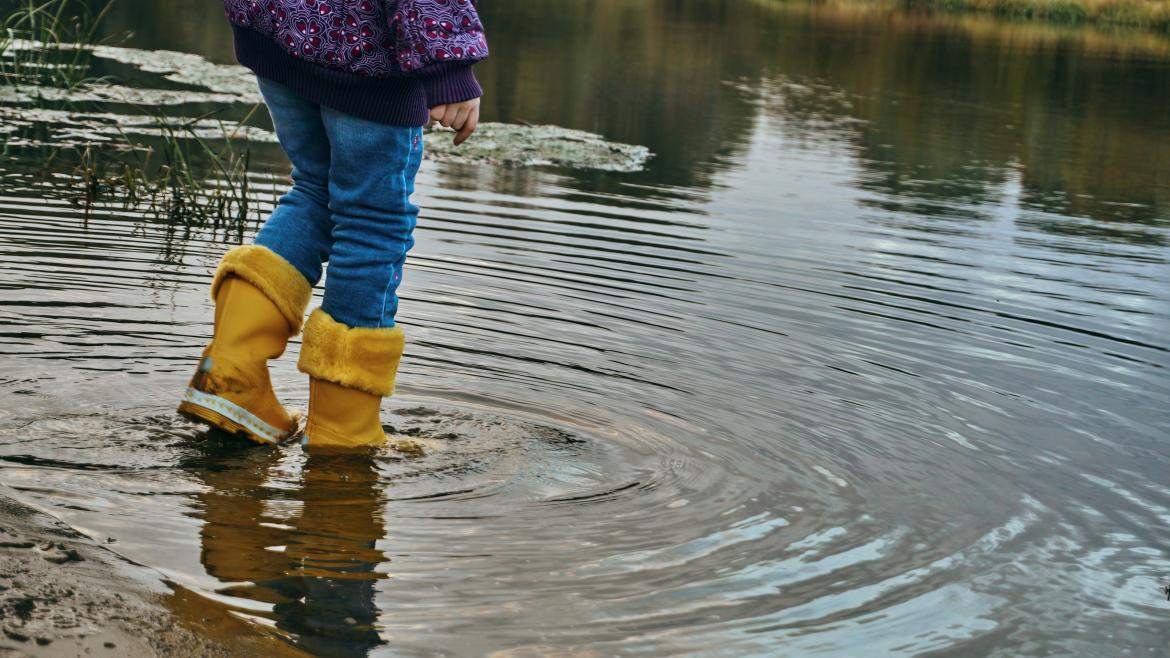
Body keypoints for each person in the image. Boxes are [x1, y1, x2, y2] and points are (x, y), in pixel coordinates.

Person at [178, 0, 488, 448]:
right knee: (373, 225)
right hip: (365, 55)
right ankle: (344, 430)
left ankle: (230, 368)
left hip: (279, 38)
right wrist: (448, 67)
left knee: (316, 191)